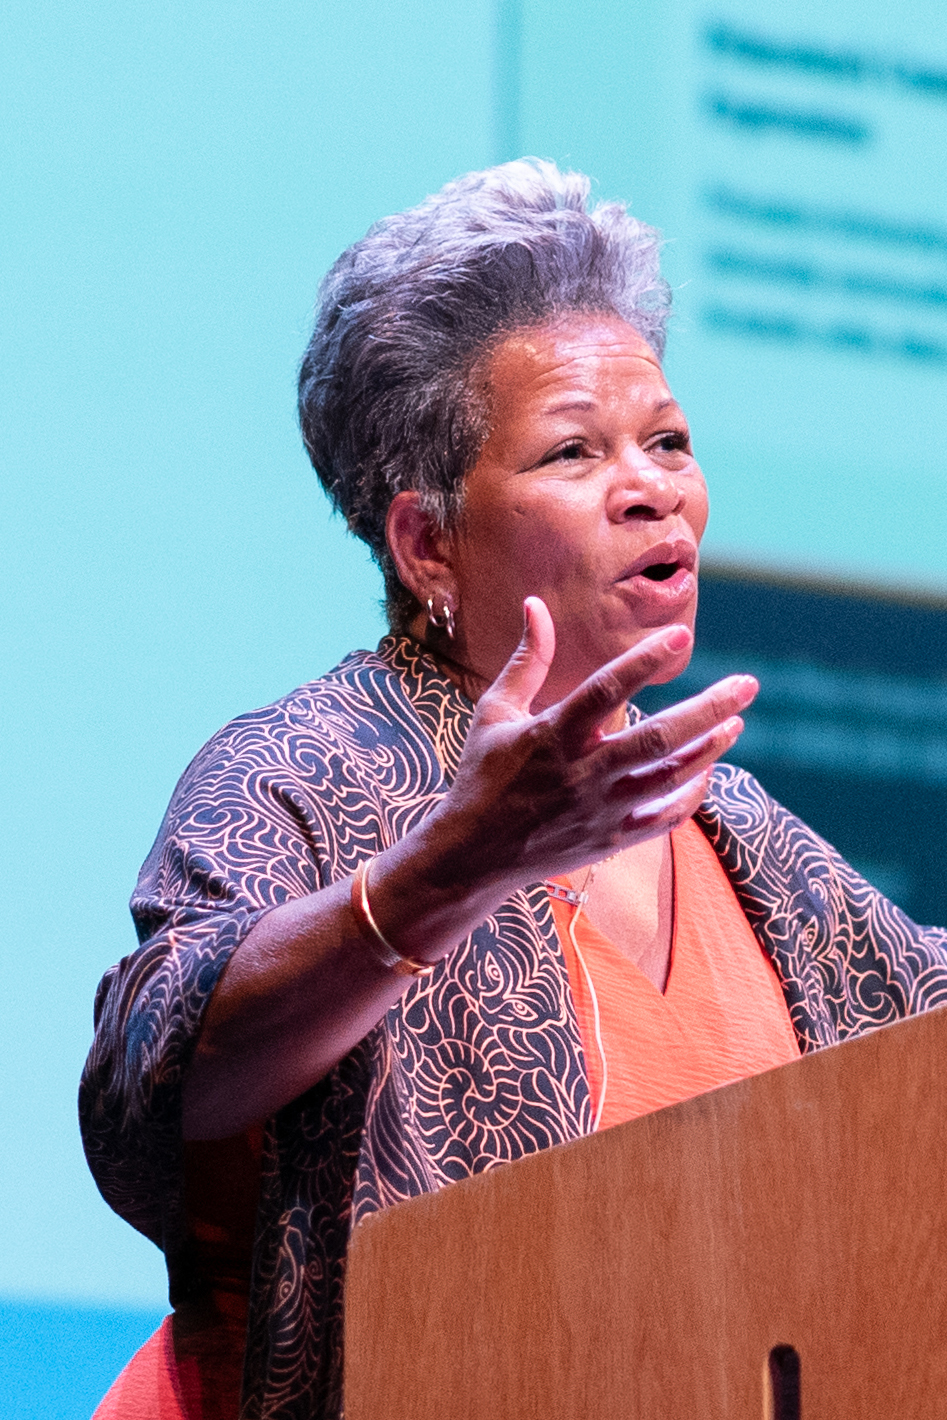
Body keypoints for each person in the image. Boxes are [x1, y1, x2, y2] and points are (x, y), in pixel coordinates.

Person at [81, 160, 947, 1420]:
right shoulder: (309, 770)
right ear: (427, 541)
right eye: (572, 451)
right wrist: (451, 870)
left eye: (666, 440)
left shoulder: (743, 837)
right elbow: (149, 1081)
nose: (653, 485)